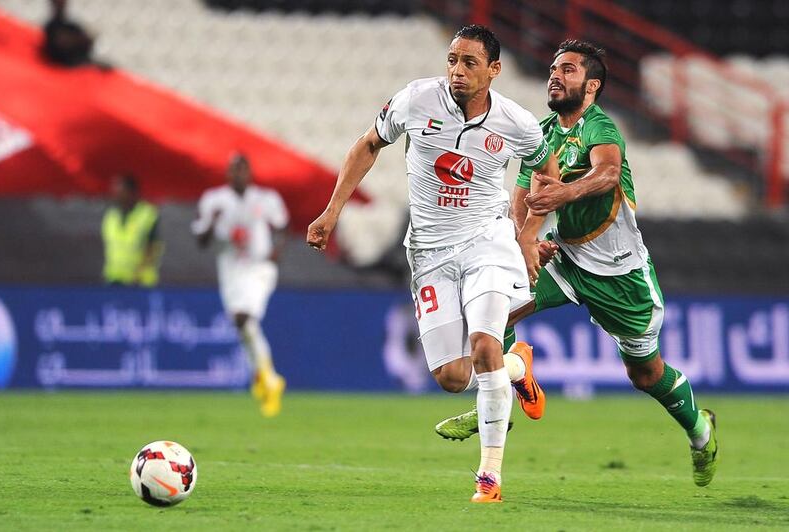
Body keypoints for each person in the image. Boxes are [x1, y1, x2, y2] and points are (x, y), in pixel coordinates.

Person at [436, 40, 719, 487]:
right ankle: (502, 395)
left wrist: (564, 194)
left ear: (591, 86)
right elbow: (525, 192)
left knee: (645, 374)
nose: (555, 75)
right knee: (493, 316)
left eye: (567, 70)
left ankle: (701, 432)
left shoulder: (601, 129)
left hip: (620, 275)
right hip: (566, 259)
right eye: (553, 68)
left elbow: (607, 173)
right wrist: (525, 243)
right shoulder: (542, 130)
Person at [307, 25, 561, 503]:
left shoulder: (517, 122)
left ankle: (489, 478)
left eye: (469, 62)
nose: (457, 71)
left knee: (484, 341)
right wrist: (332, 211)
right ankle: (516, 367)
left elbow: (548, 174)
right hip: (428, 252)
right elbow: (368, 145)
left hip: (487, 241)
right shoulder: (416, 100)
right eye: (452, 60)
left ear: (494, 70)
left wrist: (528, 236)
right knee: (450, 377)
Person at [192, 153, 288, 417]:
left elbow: (283, 227)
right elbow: (200, 240)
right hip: (230, 269)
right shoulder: (214, 200)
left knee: (244, 318)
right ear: (228, 174)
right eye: (234, 170)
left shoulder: (266, 199)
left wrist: (276, 252)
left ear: (250, 173)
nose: (239, 174)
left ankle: (270, 378)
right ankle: (262, 376)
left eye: (243, 169)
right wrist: (212, 221)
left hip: (259, 267)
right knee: (241, 324)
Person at [102, 173, 162, 287]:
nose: (116, 195)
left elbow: (153, 247)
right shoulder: (111, 216)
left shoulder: (147, 214)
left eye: (121, 191)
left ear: (132, 192)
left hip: (140, 282)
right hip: (114, 279)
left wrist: (139, 274)